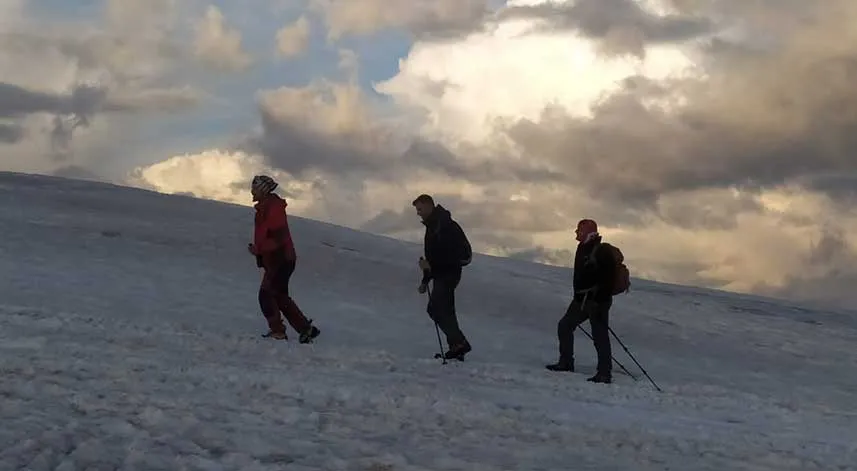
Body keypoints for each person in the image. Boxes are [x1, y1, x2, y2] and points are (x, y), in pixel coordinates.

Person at [247, 175, 320, 343]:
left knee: (266, 295)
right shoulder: (265, 209)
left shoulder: (273, 208)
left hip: (280, 259)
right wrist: (259, 252)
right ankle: (305, 329)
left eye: (255, 188)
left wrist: (259, 249)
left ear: (263, 190)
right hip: (277, 259)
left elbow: (278, 238)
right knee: (279, 296)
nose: (252, 192)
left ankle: (278, 331)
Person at [546, 218, 615, 383]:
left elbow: (608, 279)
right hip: (582, 300)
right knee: (565, 326)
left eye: (579, 230)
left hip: (597, 301)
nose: (576, 232)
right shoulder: (584, 247)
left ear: (588, 232)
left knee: (599, 335)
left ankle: (604, 373)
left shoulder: (601, 251)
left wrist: (597, 298)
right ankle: (566, 362)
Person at [413, 194, 473, 360]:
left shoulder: (446, 225)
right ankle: (456, 347)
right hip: (442, 274)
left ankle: (459, 343)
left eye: (420, 209)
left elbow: (462, 254)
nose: (418, 213)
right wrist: (426, 279)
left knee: (436, 308)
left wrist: (431, 266)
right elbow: (432, 258)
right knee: (445, 310)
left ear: (429, 206)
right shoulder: (433, 227)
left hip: (448, 274)